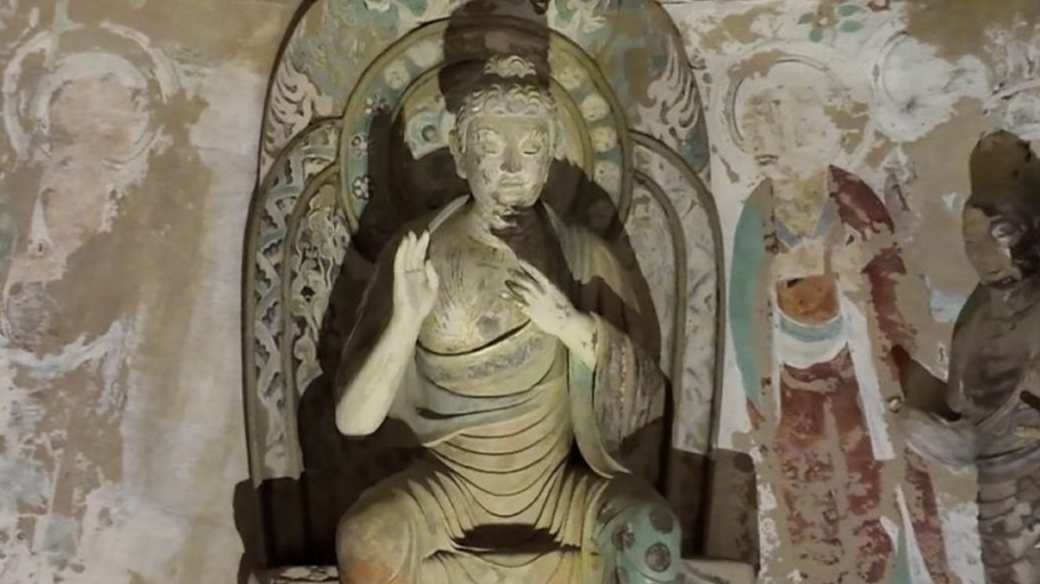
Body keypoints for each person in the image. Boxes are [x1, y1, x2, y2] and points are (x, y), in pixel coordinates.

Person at [332, 55, 679, 584]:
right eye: (491, 148)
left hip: (560, 494)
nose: (513, 168)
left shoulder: (582, 256)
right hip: (448, 492)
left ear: (550, 157)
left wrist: (571, 325)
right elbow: (354, 421)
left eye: (532, 149)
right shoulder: (418, 254)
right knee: (365, 541)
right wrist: (406, 320)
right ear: (460, 154)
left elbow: (648, 400)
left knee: (651, 533)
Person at [895, 131, 1040, 584]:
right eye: (972, 242)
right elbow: (967, 416)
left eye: (1002, 235)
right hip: (996, 498)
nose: (987, 255)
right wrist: (931, 430)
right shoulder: (974, 320)